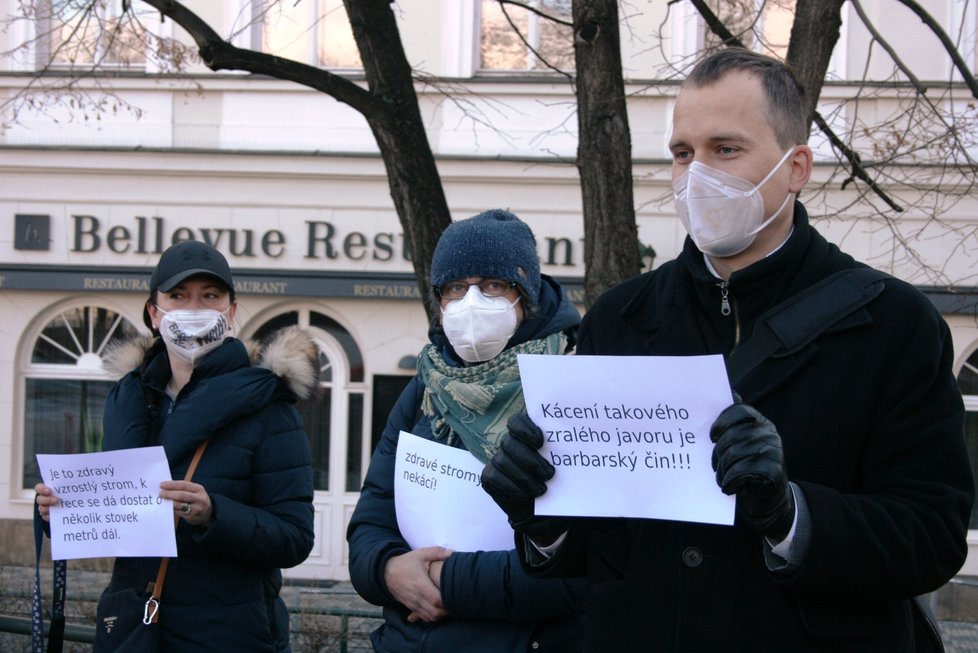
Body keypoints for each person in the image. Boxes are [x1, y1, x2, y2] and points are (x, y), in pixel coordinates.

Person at [481, 48, 975, 652]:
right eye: (683, 153)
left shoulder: (893, 324)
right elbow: (595, 545)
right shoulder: (622, 319)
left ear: (796, 168)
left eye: (726, 149)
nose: (697, 175)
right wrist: (538, 511)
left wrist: (791, 513)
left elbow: (931, 536)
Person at [35, 240, 317, 652]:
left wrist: (213, 515)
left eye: (210, 296)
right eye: (178, 296)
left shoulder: (269, 408)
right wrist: (58, 511)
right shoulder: (127, 399)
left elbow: (294, 537)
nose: (194, 309)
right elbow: (114, 511)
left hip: (229, 632)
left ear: (231, 311)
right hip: (136, 625)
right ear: (154, 313)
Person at [346, 209, 584, 652]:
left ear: (526, 293)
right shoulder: (426, 386)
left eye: (493, 285)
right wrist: (387, 570)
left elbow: (586, 566)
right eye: (456, 287)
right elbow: (371, 520)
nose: (472, 302)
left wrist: (442, 582)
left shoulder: (573, 385)